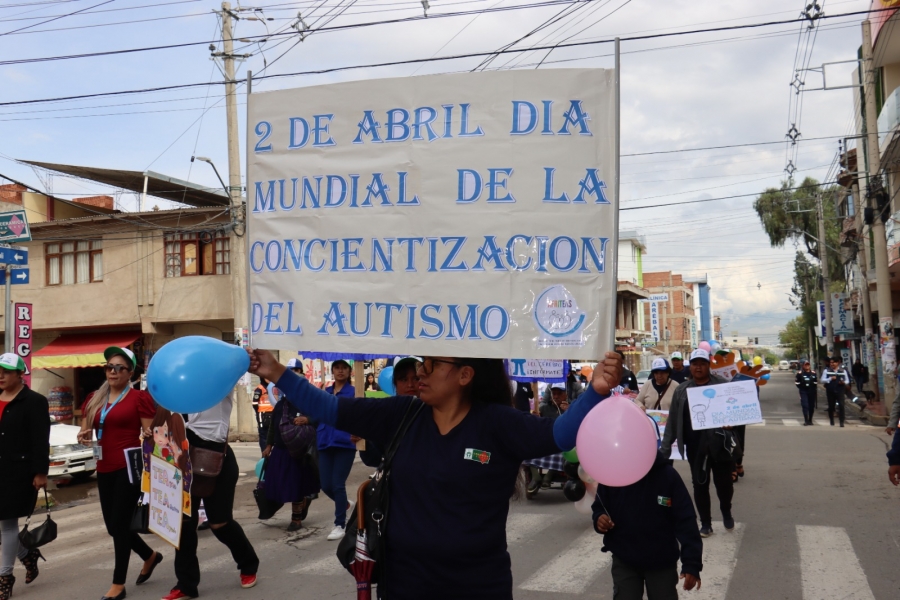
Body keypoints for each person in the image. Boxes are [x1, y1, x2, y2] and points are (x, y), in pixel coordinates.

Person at [248, 348, 622, 600]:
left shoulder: (498, 423)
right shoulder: (401, 414)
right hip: (403, 583)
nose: (420, 372)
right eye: (421, 363)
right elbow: (328, 408)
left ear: (465, 375)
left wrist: (595, 391)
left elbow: (560, 434)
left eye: (432, 364)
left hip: (477, 586)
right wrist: (276, 371)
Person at [76, 347, 161, 600]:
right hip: (103, 466)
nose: (112, 372)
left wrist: (148, 434)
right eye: (109, 367)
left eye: (119, 368)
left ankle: (118, 584)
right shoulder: (95, 398)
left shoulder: (138, 398)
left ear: (130, 373)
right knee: (114, 527)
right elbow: (85, 429)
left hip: (128, 467)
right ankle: (150, 556)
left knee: (120, 526)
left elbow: (151, 435)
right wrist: (82, 435)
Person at [163, 393, 260, 600]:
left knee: (220, 524)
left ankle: (248, 564)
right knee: (184, 525)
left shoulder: (218, 388)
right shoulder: (177, 391)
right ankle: (186, 585)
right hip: (181, 460)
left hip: (215, 461)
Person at [592, 451, 702, 599]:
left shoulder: (667, 475)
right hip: (624, 558)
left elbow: (686, 519)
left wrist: (692, 563)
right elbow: (600, 506)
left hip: (661, 561)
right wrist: (600, 518)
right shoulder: (613, 475)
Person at [660, 349, 734, 538]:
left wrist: (731, 424)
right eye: (695, 364)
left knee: (724, 483)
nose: (698, 367)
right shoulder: (681, 390)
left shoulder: (722, 385)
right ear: (690, 367)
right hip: (695, 446)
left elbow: (735, 411)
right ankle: (706, 523)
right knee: (700, 484)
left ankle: (726, 511)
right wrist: (665, 450)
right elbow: (673, 422)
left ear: (708, 366)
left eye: (702, 364)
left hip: (720, 444)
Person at [0, 353, 50, 600]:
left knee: (8, 524)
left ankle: (5, 578)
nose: (1, 376)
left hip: (17, 472)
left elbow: (40, 439)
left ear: (20, 374)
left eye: (7, 371)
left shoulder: (34, 401)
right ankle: (27, 555)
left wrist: (40, 472)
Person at [263, 388, 320, 532]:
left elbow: (320, 418)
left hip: (299, 452)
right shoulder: (280, 406)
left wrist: (308, 420)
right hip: (281, 450)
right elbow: (273, 427)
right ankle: (304, 501)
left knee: (296, 485)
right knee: (278, 483)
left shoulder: (306, 403)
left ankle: (296, 519)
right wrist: (268, 445)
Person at [317, 359, 358, 541]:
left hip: (345, 442)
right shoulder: (325, 392)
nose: (340, 371)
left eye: (344, 368)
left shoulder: (355, 392)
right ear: (332, 371)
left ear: (349, 372)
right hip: (325, 440)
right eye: (337, 368)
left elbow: (363, 415)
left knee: (337, 484)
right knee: (325, 485)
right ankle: (345, 504)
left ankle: (340, 524)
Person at [525, 383, 569, 493]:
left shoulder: (570, 409)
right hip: (545, 440)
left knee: (562, 452)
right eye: (554, 394)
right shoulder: (544, 408)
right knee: (528, 448)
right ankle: (536, 477)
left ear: (565, 395)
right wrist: (535, 418)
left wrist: (568, 411)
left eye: (559, 394)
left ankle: (548, 477)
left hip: (560, 442)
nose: (556, 396)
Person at [821, 356, 850, 427]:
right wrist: (830, 379)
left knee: (841, 405)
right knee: (831, 406)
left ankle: (841, 421)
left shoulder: (843, 371)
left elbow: (847, 380)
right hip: (830, 390)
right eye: (831, 362)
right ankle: (831, 420)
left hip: (840, 390)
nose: (832, 364)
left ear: (837, 363)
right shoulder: (826, 370)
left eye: (833, 362)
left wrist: (843, 382)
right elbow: (822, 380)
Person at [251, 376, 271, 452]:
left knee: (272, 434)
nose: (268, 379)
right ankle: (264, 453)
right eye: (266, 377)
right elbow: (254, 403)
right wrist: (258, 412)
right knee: (263, 434)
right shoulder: (259, 389)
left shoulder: (273, 387)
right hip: (263, 414)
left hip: (273, 413)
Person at [795, 361, 818, 426]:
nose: (807, 366)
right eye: (805, 365)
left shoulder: (813, 373)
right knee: (805, 405)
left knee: (811, 406)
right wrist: (801, 387)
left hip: (812, 391)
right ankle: (806, 420)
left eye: (808, 365)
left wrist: (813, 387)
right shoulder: (800, 374)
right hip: (803, 391)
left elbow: (816, 382)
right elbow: (797, 382)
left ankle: (810, 420)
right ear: (803, 366)